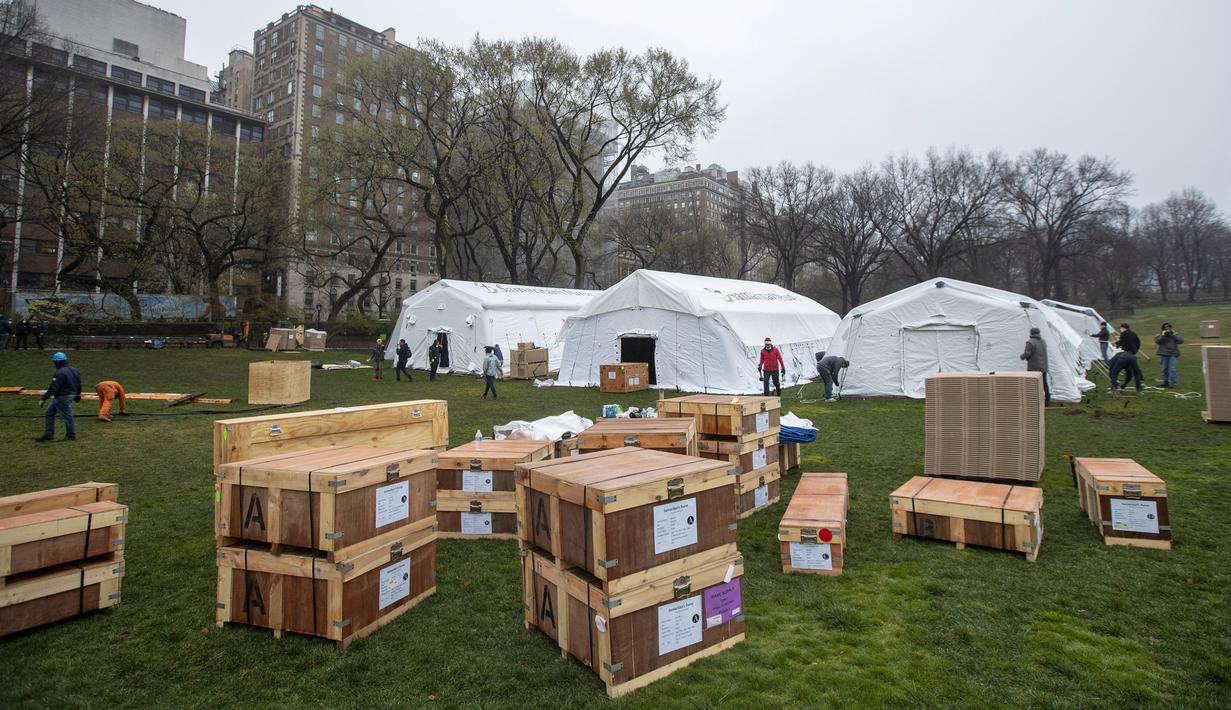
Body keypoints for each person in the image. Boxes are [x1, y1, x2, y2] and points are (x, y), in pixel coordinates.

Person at [37, 352, 82, 442]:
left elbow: (53, 389)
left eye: (54, 362)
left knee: (67, 416)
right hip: (69, 395)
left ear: (57, 362)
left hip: (62, 397)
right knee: (49, 413)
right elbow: (79, 384)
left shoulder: (60, 373)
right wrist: (77, 395)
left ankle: (70, 435)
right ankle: (48, 434)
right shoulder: (74, 370)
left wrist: (43, 398)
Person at [1020, 326, 1051, 405]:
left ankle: (1033, 400)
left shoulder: (1030, 342)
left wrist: (1022, 357)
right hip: (1043, 366)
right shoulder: (1043, 341)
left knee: (1032, 383)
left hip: (1034, 367)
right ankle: (1047, 399)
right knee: (1044, 383)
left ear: (1031, 333)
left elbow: (1027, 353)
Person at [1109, 323, 1143, 393]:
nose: (1120, 330)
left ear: (1123, 328)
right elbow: (1138, 342)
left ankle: (1114, 387)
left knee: (1114, 373)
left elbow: (1121, 342)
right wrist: (1135, 351)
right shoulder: (1134, 334)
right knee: (1136, 373)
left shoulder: (1124, 334)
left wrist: (1116, 344)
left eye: (1121, 328)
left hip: (1124, 355)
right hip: (1132, 355)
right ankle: (1139, 389)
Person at [1154, 322, 1184, 388]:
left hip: (1173, 353)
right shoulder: (1160, 334)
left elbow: (1181, 341)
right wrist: (1163, 335)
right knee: (1164, 369)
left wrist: (1173, 335)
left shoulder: (1174, 333)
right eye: (1166, 327)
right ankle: (1165, 382)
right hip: (1163, 353)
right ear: (1163, 328)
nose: (1168, 328)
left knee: (1173, 369)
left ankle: (1174, 384)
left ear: (1171, 327)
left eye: (1169, 327)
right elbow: (1157, 341)